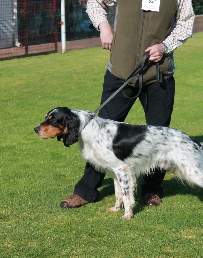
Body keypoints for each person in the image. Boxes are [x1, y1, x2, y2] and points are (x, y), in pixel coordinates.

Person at [60, 0, 195, 208]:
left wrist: (164, 46)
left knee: (159, 135)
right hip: (119, 74)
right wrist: (103, 26)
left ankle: (152, 190)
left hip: (158, 75)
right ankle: (86, 191)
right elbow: (95, 3)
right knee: (98, 135)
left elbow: (186, 23)